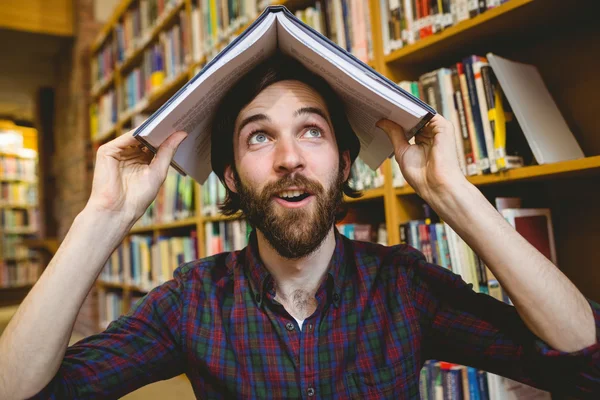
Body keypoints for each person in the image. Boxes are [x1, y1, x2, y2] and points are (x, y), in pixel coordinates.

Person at [0, 55, 598, 400]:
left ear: (341, 159)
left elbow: (580, 358)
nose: (290, 157)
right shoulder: (193, 301)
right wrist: (103, 217)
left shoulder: (403, 287)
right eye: (260, 136)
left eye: (312, 131)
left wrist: (455, 196)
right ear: (231, 177)